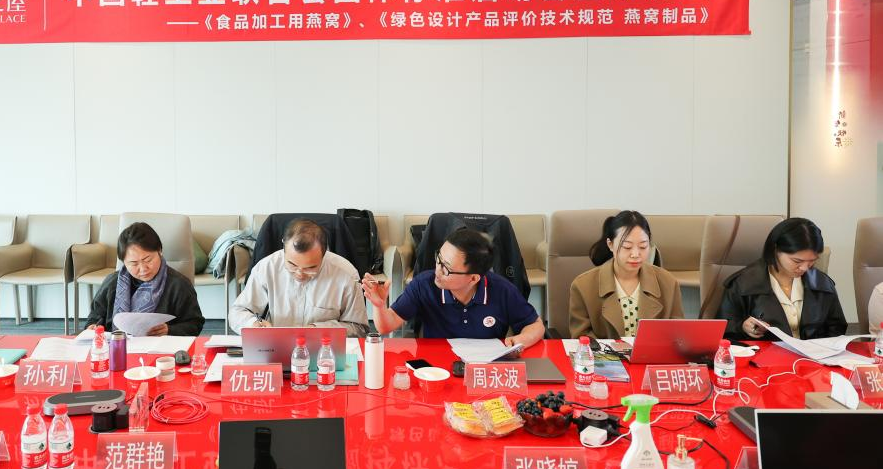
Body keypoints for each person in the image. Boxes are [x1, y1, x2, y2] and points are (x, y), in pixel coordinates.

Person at [361, 228, 545, 346]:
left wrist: (520, 340)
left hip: (484, 371)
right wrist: (379, 306)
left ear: (473, 278)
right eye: (438, 259)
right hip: (436, 370)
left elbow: (536, 326)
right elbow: (386, 326)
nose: (437, 270)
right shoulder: (424, 285)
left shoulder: (502, 290)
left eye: (446, 268)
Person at [229, 218, 368, 338]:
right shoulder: (267, 267)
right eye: (292, 264)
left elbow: (359, 329)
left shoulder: (346, 274)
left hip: (326, 349)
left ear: (324, 254)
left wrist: (318, 329)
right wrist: (252, 323)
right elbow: (237, 313)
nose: (299, 274)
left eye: (310, 268)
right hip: (277, 346)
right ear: (284, 249)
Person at [718, 217, 846, 340]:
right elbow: (723, 329)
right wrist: (742, 327)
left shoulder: (823, 283)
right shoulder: (743, 284)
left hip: (814, 354)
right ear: (775, 250)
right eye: (797, 261)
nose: (805, 268)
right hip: (765, 353)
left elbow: (837, 328)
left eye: (812, 261)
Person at [568, 210, 685, 338]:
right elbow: (581, 336)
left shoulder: (668, 283)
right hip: (603, 352)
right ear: (610, 245)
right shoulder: (583, 286)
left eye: (643, 247)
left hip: (653, 351)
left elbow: (678, 334)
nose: (635, 254)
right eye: (627, 247)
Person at [85, 222, 205, 336]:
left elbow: (195, 324)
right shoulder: (112, 283)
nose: (143, 269)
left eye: (148, 260)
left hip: (162, 347)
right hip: (117, 345)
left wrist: (169, 330)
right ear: (123, 262)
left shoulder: (179, 285)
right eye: (134, 263)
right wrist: (92, 327)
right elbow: (94, 317)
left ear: (160, 251)